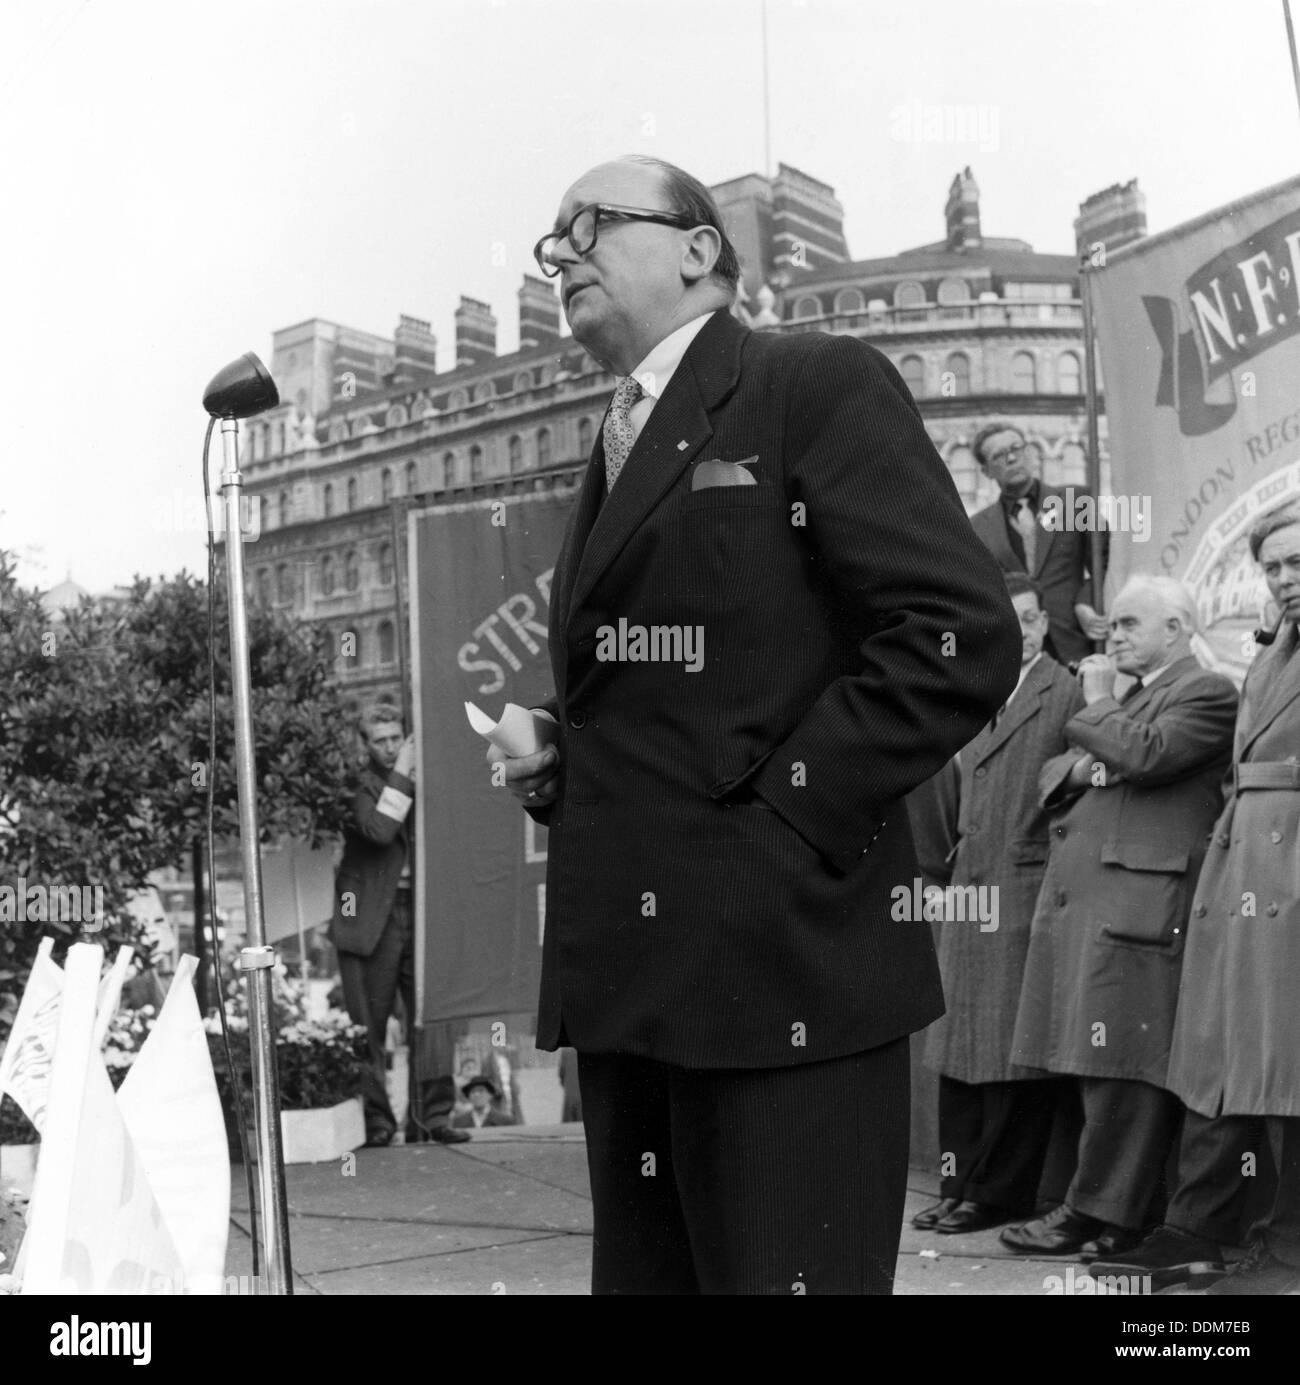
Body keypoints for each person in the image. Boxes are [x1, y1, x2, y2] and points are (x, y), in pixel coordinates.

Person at [490, 154, 1022, 1294]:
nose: (562, 253)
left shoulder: (809, 382)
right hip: (640, 991)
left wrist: (786, 817)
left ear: (699, 246)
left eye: (590, 222)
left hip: (784, 970)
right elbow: (704, 699)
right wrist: (561, 758)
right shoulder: (619, 431)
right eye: (551, 240)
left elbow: (954, 632)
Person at [1093, 501, 1300, 1293]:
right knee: (1222, 1053)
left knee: (1280, 1062)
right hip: (1244, 864)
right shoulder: (1274, 647)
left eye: (1295, 561)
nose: (1283, 579)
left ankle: (1278, 1248)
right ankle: (1196, 1232)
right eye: (1272, 565)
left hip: (1284, 868)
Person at [1000, 576, 1238, 1257]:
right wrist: (1099, 754)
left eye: (1132, 623)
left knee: (1122, 1070)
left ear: (1177, 629)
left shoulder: (1208, 690)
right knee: (1094, 1063)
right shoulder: (1133, 700)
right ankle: (1104, 1213)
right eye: (1113, 623)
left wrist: (1101, 713)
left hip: (1141, 908)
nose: (1115, 635)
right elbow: (1057, 773)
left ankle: (1095, 1212)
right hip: (1103, 906)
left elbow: (1147, 755)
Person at [915, 573, 1084, 1235]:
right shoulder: (977, 689)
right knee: (959, 1048)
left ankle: (1000, 1192)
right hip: (969, 892)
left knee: (1014, 1055)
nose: (1019, 631)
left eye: (1028, 618)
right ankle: (960, 1185)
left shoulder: (1065, 690)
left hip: (1023, 891)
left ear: (1042, 624)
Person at [331, 704, 469, 1146]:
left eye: (396, 738)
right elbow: (379, 830)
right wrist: (404, 772)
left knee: (431, 1017)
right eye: (381, 740)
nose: (390, 748)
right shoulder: (356, 785)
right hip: (374, 916)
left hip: (425, 907)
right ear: (366, 744)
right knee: (367, 1024)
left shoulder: (424, 777)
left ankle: (433, 1117)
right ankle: (377, 1122)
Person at [967, 421, 1107, 666]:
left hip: (1076, 641)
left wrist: (1085, 604)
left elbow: (1105, 561)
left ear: (1029, 452)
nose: (1011, 458)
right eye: (999, 455)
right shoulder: (978, 527)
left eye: (1016, 448)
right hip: (1019, 653)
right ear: (986, 471)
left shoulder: (1075, 501)